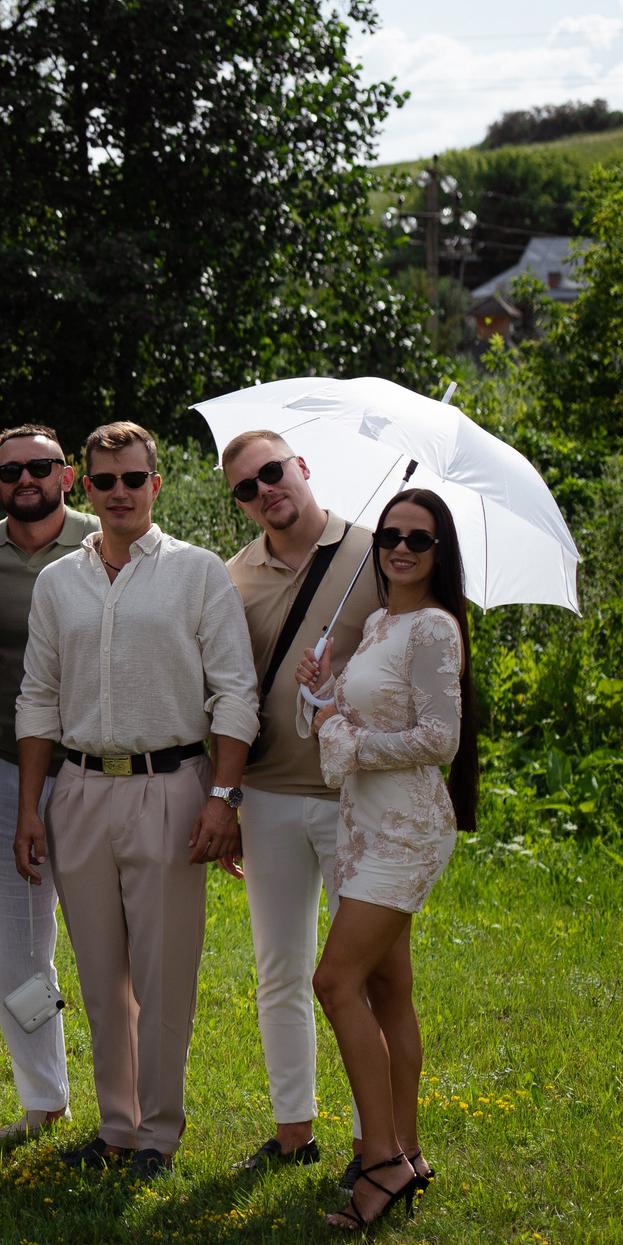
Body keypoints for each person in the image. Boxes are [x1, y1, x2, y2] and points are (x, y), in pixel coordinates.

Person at [13, 422, 259, 1179]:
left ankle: (158, 1131)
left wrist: (222, 796)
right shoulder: (59, 581)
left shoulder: (198, 573)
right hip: (80, 789)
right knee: (99, 974)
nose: (118, 492)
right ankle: (115, 1127)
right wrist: (30, 805)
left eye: (132, 478)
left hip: (173, 786)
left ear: (156, 484)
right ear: (80, 487)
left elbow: (236, 693)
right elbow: (38, 699)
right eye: (103, 480)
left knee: (163, 974)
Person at [298, 487, 473, 1232]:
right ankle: (410, 1146)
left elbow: (440, 739)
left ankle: (380, 1162)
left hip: (405, 827)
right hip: (363, 823)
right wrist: (324, 691)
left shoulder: (435, 629)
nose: (400, 546)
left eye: (419, 538)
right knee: (388, 989)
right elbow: (361, 712)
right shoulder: (377, 620)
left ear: (441, 551)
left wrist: (351, 743)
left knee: (335, 981)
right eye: (391, 534)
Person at [220, 428, 386, 1173]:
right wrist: (222, 801)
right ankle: (293, 1131)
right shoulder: (231, 579)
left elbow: (415, 666)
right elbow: (221, 697)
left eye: (273, 473)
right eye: (246, 489)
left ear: (304, 466)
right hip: (269, 795)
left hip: (363, 793)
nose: (265, 492)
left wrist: (341, 684)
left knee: (367, 977)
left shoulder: (381, 552)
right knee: (280, 968)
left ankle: (370, 1138)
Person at [0, 424, 96, 1145]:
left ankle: (127, 1100)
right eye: (11, 468)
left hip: (87, 770)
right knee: (17, 949)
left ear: (67, 474)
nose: (26, 478)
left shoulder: (102, 540)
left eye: (40, 466)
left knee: (105, 942)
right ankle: (45, 1101)